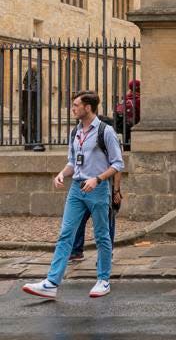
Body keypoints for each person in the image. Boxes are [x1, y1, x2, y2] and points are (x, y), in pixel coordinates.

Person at [22, 91, 124, 300]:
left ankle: (103, 280)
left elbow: (118, 163)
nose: (73, 108)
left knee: (102, 236)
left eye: (76, 105)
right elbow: (72, 162)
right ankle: (51, 283)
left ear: (88, 107)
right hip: (76, 189)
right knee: (66, 234)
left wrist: (98, 179)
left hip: (97, 189)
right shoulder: (75, 132)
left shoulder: (106, 131)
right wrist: (61, 174)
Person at [68, 170, 121, 264]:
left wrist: (116, 190)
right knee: (80, 219)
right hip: (84, 188)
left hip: (103, 189)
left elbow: (117, 169)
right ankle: (76, 251)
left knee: (105, 223)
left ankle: (106, 254)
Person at [113, 78, 141, 149]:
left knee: (126, 147)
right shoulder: (139, 100)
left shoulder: (125, 98)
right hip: (135, 130)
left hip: (124, 128)